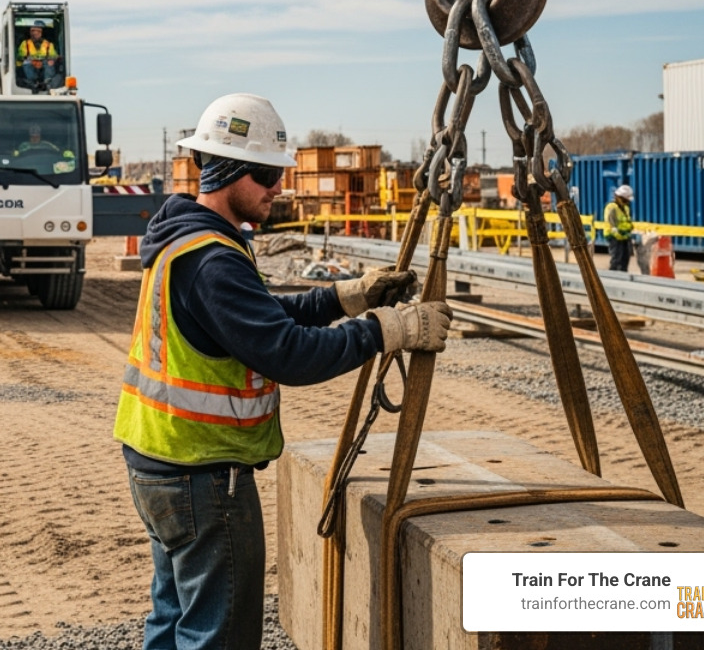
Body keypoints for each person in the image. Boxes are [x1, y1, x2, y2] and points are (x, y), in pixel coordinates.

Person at [113, 93, 453, 650]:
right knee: (217, 635)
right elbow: (288, 353)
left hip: (161, 461)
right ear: (226, 171)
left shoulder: (191, 241)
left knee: (174, 623)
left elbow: (259, 315)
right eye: (268, 173)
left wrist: (347, 297)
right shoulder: (214, 261)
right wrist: (389, 331)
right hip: (202, 472)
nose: (279, 186)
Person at [17, 21, 59, 90]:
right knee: (26, 63)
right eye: (33, 31)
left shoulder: (48, 44)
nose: (35, 33)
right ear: (30, 32)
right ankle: (33, 84)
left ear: (41, 33)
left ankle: (47, 83)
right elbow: (20, 57)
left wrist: (51, 60)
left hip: (43, 69)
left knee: (50, 63)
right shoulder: (25, 44)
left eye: (38, 31)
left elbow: (54, 56)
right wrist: (31, 60)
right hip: (29, 69)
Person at [604, 184, 636, 272]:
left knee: (625, 260)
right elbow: (611, 224)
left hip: (624, 237)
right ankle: (613, 278)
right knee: (616, 259)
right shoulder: (611, 207)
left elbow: (627, 222)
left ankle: (623, 278)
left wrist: (629, 229)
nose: (627, 202)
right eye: (626, 200)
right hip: (614, 237)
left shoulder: (626, 208)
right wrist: (619, 234)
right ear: (619, 197)